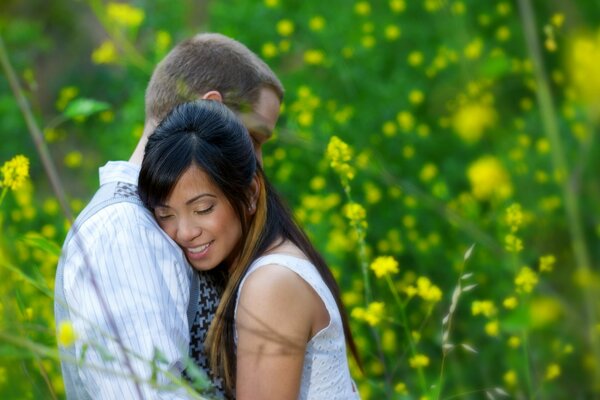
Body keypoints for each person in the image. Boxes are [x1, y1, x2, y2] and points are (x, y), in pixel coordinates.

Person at [54, 33, 283, 399]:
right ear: (211, 111)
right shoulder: (124, 232)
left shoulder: (158, 227)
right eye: (254, 138)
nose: (258, 163)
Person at [137, 100, 361, 400]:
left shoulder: (271, 284)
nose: (186, 232)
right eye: (166, 215)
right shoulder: (272, 262)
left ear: (251, 193)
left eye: (203, 208)